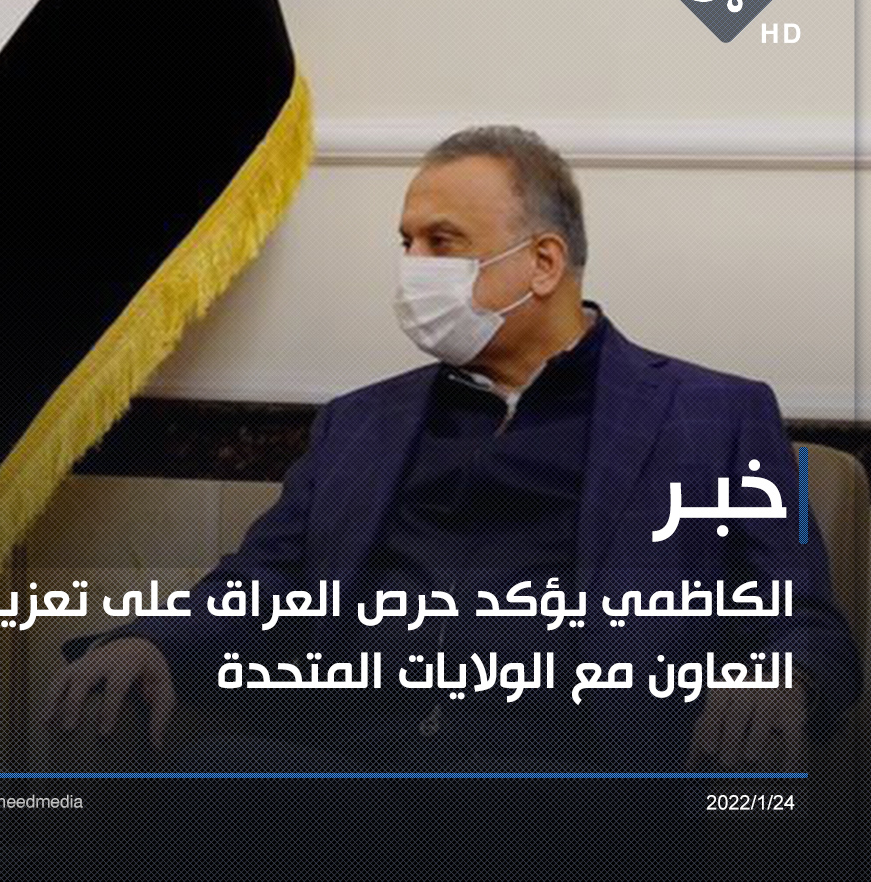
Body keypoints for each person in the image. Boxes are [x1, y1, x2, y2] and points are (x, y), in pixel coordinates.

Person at [45, 125, 860, 775]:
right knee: (219, 778)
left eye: (442, 242)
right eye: (405, 243)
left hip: (565, 784)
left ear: (543, 263)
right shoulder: (359, 423)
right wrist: (151, 642)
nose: (413, 268)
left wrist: (781, 677)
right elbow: (263, 583)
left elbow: (807, 621)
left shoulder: (717, 417)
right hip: (355, 767)